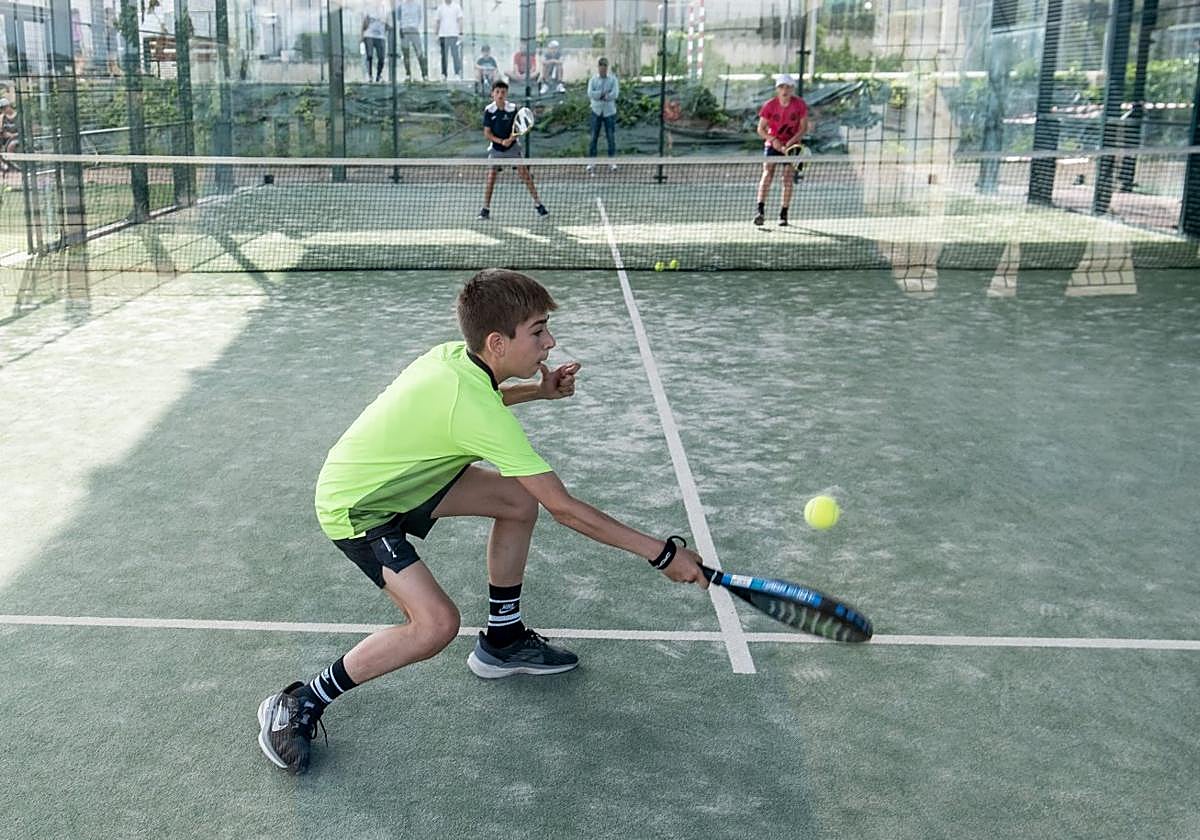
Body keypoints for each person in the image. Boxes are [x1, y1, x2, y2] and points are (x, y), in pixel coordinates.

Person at [256, 268, 709, 775]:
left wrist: (539, 392)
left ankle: (502, 638)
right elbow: (565, 508)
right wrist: (662, 553)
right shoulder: (474, 409)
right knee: (435, 626)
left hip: (410, 478)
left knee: (517, 502)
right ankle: (301, 701)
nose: (549, 342)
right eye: (537, 332)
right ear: (497, 341)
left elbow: (480, 403)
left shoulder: (457, 358)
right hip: (358, 506)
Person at [477, 80, 547, 220]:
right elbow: (487, 133)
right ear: (493, 94)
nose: (500, 94)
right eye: (497, 92)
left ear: (506, 93)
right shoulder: (489, 111)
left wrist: (510, 139)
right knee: (491, 178)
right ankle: (485, 209)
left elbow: (519, 126)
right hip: (496, 149)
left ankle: (539, 205)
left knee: (525, 175)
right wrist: (501, 141)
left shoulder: (512, 108)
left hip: (513, 148)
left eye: (503, 92)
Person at [753, 73, 809, 227]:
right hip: (773, 145)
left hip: (793, 146)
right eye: (782, 87)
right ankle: (760, 211)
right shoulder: (770, 105)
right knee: (767, 173)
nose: (785, 90)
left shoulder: (800, 105)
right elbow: (760, 129)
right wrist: (773, 140)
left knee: (787, 178)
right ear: (777, 89)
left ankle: (783, 214)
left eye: (788, 87)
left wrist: (790, 144)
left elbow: (803, 128)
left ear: (792, 89)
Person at [586, 57, 619, 174]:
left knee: (610, 137)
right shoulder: (593, 80)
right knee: (594, 137)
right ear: (598, 68)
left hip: (609, 112)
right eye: (601, 68)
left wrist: (606, 96)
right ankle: (591, 162)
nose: (602, 71)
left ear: (607, 68)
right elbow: (590, 93)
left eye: (604, 69)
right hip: (596, 111)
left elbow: (615, 94)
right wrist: (601, 94)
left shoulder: (613, 79)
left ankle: (612, 161)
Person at [395, 0, 428, 81]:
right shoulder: (401, 5)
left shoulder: (417, 5)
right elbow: (399, 19)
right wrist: (401, 29)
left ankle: (424, 74)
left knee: (419, 52)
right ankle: (408, 74)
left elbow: (420, 17)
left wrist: (415, 25)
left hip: (414, 30)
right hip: (405, 30)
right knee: (406, 53)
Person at [435, 0, 464, 81]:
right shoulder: (440, 8)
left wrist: (460, 33)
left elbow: (460, 20)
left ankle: (457, 73)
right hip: (443, 35)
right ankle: (444, 74)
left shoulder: (457, 7)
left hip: (454, 34)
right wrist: (436, 34)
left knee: (455, 55)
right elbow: (437, 21)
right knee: (444, 56)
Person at [361, 12, 387, 82]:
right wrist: (362, 35)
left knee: (381, 57)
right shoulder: (368, 8)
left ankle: (379, 75)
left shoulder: (384, 8)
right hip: (369, 35)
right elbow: (364, 23)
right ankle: (369, 75)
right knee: (369, 56)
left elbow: (387, 22)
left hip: (380, 36)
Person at [0, 98, 18, 174]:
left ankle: (12, 165)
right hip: (5, 138)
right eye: (1, 108)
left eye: (4, 108)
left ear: (9, 106)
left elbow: (23, 131)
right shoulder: (2, 117)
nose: (3, 110)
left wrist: (13, 135)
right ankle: (3, 165)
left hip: (17, 138)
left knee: (11, 145)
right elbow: (1, 130)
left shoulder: (18, 116)